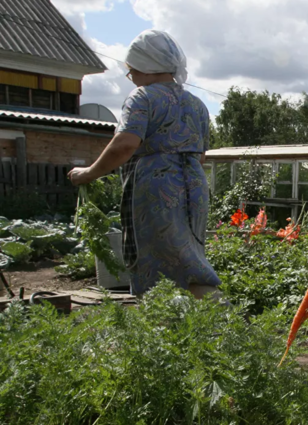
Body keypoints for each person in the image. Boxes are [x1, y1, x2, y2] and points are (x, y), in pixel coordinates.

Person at [69, 30, 221, 299]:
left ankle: (169, 327)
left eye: (132, 71)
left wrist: (88, 174)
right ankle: (205, 326)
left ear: (145, 67)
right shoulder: (197, 104)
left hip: (158, 187)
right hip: (194, 187)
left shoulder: (143, 97)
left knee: (156, 262)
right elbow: (200, 156)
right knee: (189, 258)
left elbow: (125, 144)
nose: (133, 78)